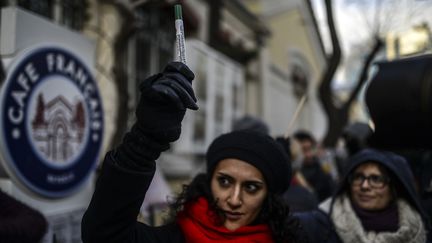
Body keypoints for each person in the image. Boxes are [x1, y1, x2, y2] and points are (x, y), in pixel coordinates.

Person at [81, 62, 305, 243]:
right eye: (225, 182)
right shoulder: (178, 237)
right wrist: (144, 141)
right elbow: (104, 235)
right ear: (209, 182)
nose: (234, 200)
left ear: (268, 196)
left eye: (251, 187)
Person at [297, 148, 432, 243]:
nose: (365, 186)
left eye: (376, 179)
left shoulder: (421, 230)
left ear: (394, 189)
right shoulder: (318, 225)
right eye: (358, 177)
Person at [293, 130, 335, 202]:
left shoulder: (321, 170)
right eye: (304, 150)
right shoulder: (293, 173)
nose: (309, 155)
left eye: (310, 149)